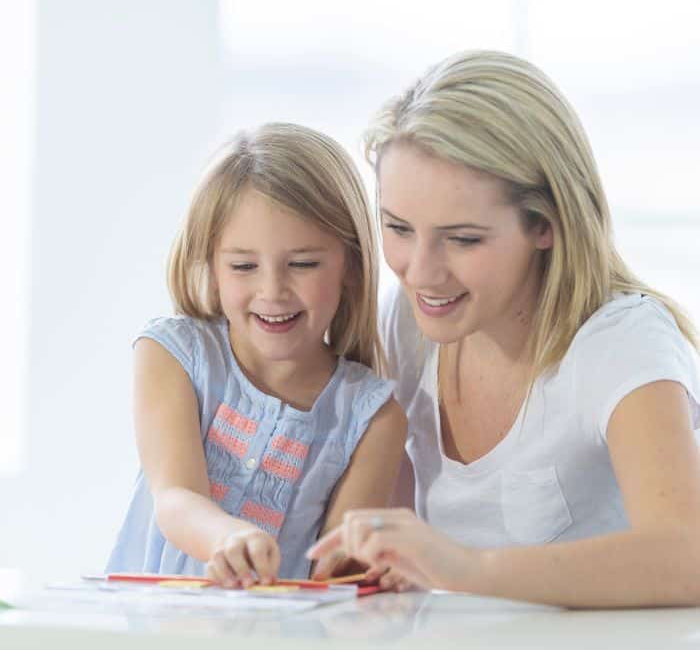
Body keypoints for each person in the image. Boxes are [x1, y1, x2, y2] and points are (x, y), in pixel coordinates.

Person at [307, 50, 700, 607]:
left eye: (463, 239)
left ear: (545, 225)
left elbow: (687, 558)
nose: (421, 271)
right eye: (397, 227)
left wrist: (462, 567)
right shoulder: (411, 319)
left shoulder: (624, 342)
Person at [107, 122, 406, 587]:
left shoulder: (375, 417)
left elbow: (337, 572)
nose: (273, 291)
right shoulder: (173, 356)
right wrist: (226, 536)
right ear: (211, 265)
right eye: (244, 266)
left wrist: (375, 576)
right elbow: (175, 497)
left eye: (303, 264)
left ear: (351, 264)